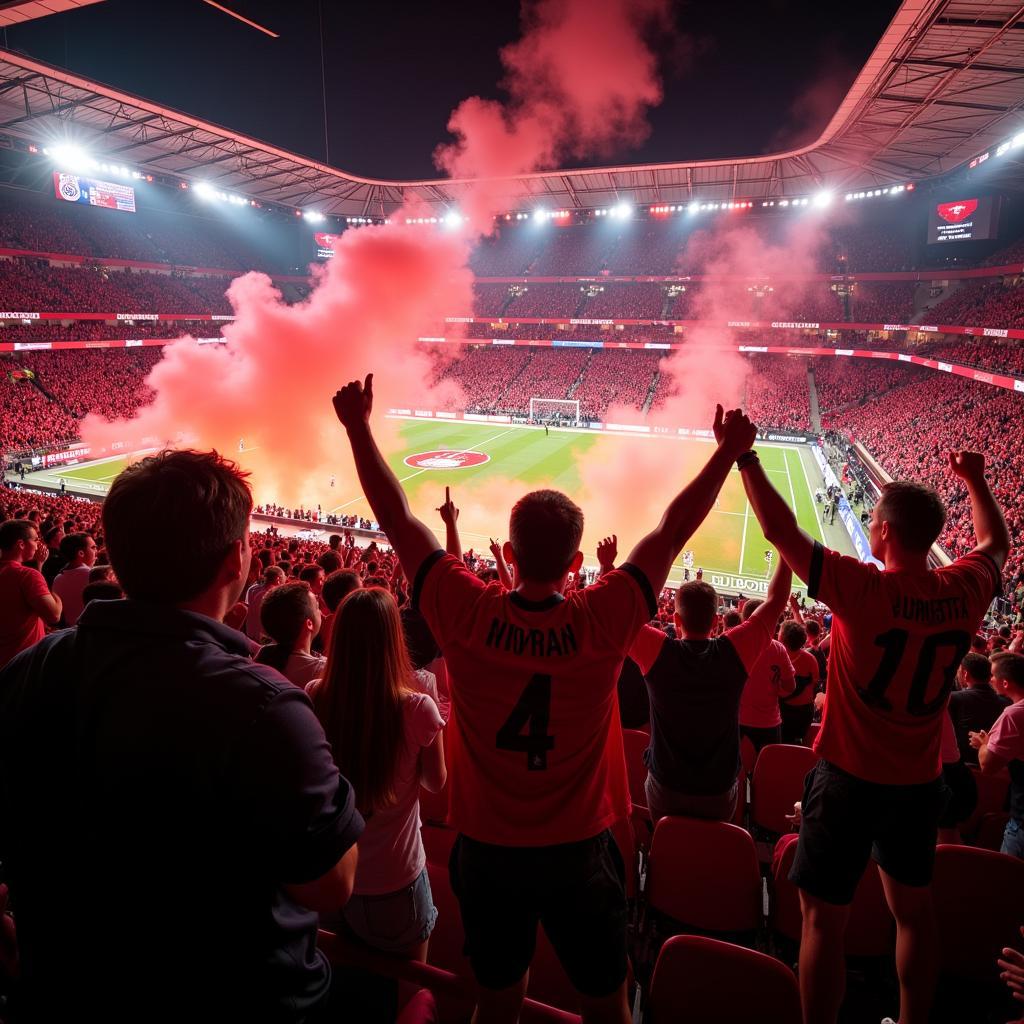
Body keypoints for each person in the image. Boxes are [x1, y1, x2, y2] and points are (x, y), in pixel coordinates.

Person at [334, 372, 758, 1024]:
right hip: (580, 851)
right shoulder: (604, 617)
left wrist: (360, 428)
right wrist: (726, 455)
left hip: (488, 850)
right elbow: (671, 531)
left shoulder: (465, 611)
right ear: (579, 559)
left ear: (506, 552)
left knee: (496, 1003)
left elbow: (397, 519)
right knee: (607, 1005)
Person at [0, 450, 363, 1022]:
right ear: (234, 559)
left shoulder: (30, 669)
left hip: (64, 992)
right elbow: (332, 884)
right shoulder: (264, 705)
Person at [741, 449, 1008, 1024]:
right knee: (914, 914)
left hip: (845, 776)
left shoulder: (859, 588)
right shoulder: (963, 590)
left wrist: (743, 455)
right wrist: (978, 484)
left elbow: (779, 529)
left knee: (821, 920)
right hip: (917, 784)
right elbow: (995, 547)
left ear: (882, 531)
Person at [309, 588, 445, 961]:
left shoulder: (315, 694)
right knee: (411, 999)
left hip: (334, 878)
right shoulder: (419, 708)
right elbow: (436, 782)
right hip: (395, 882)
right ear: (393, 638)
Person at [632, 563, 791, 822]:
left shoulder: (656, 652)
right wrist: (786, 551)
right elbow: (776, 601)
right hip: (718, 788)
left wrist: (606, 567)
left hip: (666, 784)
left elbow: (613, 614)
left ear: (675, 620)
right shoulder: (734, 652)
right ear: (717, 622)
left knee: (667, 845)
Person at [970, 652, 1024, 859]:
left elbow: (988, 765)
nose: (989, 679)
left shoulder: (1014, 714)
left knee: (1009, 884)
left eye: (992, 675)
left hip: (1021, 824)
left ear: (1005, 683)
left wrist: (984, 744)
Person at [738, 595, 796, 753]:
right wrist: (776, 685)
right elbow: (790, 687)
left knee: (734, 771)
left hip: (736, 719)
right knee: (766, 770)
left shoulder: (731, 643)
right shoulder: (778, 648)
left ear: (745, 620)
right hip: (768, 722)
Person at [0, 519, 61, 670]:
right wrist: (58, 597)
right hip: (19, 664)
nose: (38, 544)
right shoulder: (27, 575)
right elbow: (54, 615)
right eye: (35, 539)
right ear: (21, 544)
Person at [255, 581, 327, 688]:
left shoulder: (264, 655)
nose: (321, 612)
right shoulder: (323, 670)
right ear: (309, 624)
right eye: (317, 607)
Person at [948, 651, 1008, 766]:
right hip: (995, 765)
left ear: (965, 674)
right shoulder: (1006, 702)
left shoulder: (954, 699)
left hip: (962, 765)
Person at [778, 620, 820, 745]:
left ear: (781, 639)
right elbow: (815, 681)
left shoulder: (778, 657)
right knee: (800, 743)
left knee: (784, 743)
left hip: (783, 710)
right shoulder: (810, 659)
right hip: (804, 711)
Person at [51, 532, 99, 627]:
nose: (97, 551)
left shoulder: (58, 579)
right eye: (93, 548)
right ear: (81, 553)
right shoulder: (92, 575)